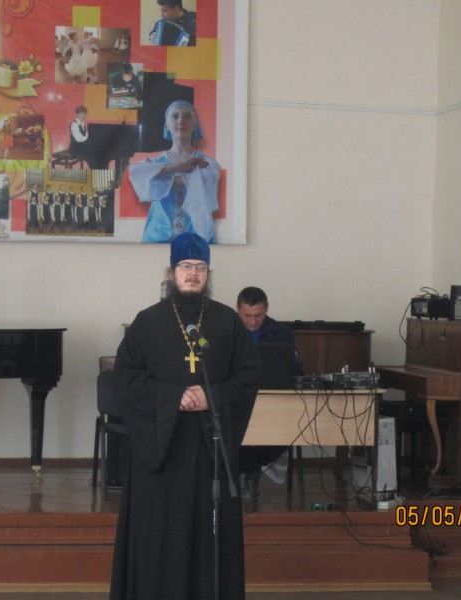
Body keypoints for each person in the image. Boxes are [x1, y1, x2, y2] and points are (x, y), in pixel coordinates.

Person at [110, 232, 261, 600]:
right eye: (185, 266)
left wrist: (212, 396)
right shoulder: (147, 322)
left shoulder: (227, 322)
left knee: (209, 535)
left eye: (200, 267)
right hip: (161, 451)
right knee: (161, 536)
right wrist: (172, 397)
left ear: (208, 274)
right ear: (171, 272)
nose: (193, 273)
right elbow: (126, 378)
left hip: (209, 452)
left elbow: (248, 376)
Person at [235, 286, 301, 500]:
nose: (252, 321)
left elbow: (293, 369)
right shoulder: (227, 330)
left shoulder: (282, 333)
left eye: (258, 315)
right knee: (229, 433)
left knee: (282, 433)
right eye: (246, 316)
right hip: (237, 399)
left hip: (273, 401)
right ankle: (246, 474)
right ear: (237, 310)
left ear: (267, 309)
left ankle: (248, 471)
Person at [128, 99, 220, 243]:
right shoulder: (157, 162)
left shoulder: (208, 163)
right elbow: (135, 172)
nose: (181, 121)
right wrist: (178, 167)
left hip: (195, 236)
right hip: (159, 235)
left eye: (187, 116)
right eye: (175, 116)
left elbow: (205, 183)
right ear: (167, 125)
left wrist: (162, 176)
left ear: (195, 124)